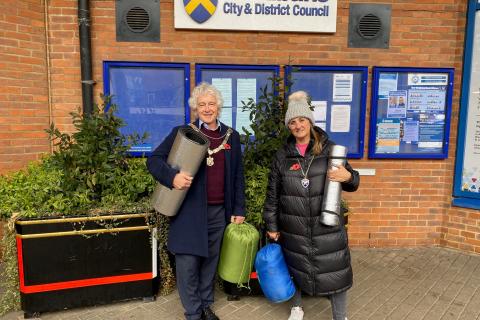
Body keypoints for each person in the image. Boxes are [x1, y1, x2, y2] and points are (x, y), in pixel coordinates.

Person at [147, 82, 246, 320]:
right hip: (188, 212)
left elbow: (237, 177)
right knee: (188, 263)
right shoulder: (183, 133)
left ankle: (205, 305)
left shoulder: (231, 136)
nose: (207, 108)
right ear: (195, 108)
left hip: (219, 212)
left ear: (218, 107)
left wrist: (239, 208)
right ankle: (193, 312)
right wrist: (173, 177)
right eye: (202, 104)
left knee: (209, 262)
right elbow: (154, 160)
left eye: (211, 104)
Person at [263, 91, 360, 320]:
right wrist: (272, 224)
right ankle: (297, 308)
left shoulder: (330, 150)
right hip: (293, 224)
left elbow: (353, 182)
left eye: (302, 120)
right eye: (293, 122)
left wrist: (348, 176)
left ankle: (340, 316)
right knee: (295, 268)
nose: (298, 126)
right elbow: (272, 194)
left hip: (325, 224)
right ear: (289, 126)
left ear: (310, 121)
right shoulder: (282, 155)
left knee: (335, 271)